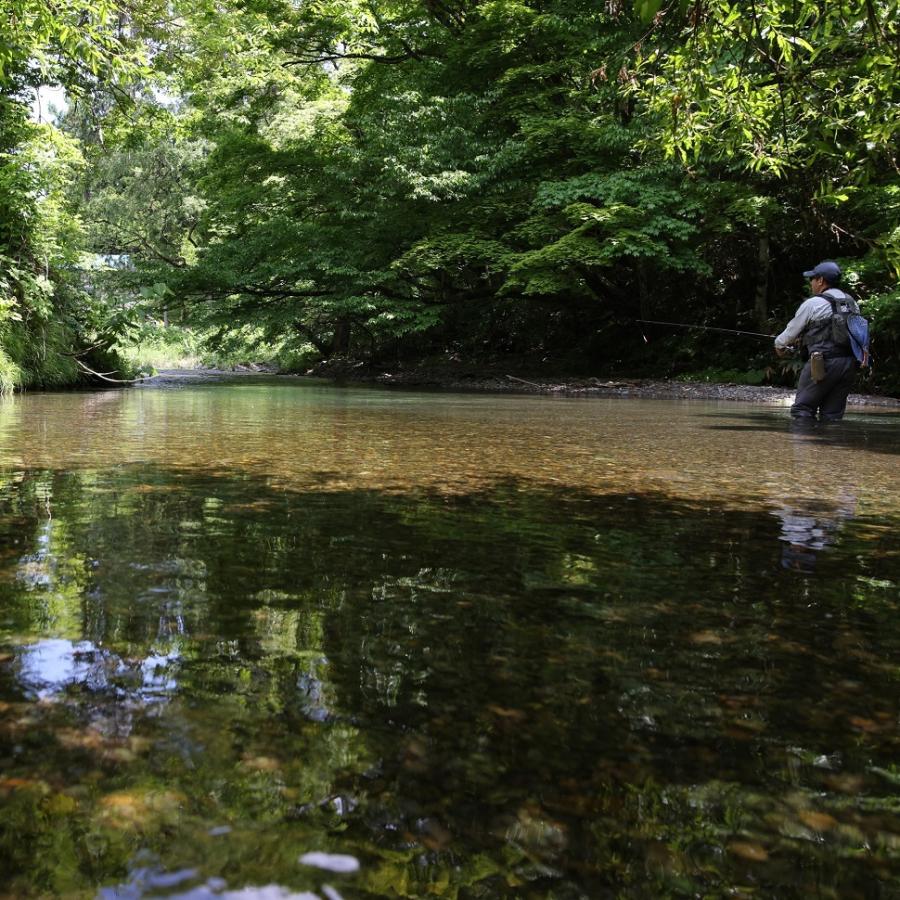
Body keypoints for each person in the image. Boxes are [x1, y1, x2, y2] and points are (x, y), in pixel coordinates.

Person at [774, 260, 859, 420]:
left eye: (812, 279)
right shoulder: (851, 303)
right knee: (832, 415)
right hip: (848, 365)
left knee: (802, 410)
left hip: (822, 363)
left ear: (820, 281)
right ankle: (830, 444)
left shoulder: (813, 304)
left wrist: (779, 345)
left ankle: (805, 445)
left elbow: (791, 332)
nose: (811, 283)